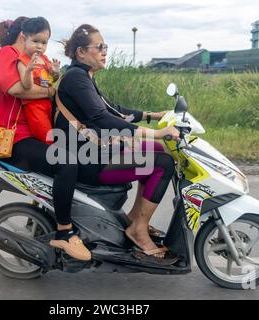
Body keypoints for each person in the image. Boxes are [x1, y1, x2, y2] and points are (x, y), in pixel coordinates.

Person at [54, 24, 180, 263]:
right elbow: (100, 118)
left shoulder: (83, 77)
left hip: (96, 149)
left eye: (105, 47)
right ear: (81, 52)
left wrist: (153, 115)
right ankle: (138, 230)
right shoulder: (76, 78)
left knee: (157, 151)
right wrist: (155, 133)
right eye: (99, 47)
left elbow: (114, 110)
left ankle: (135, 219)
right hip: (87, 159)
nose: (104, 51)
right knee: (163, 164)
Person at [0, 17, 91, 261]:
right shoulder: (7, 55)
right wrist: (51, 90)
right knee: (65, 162)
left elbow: (46, 86)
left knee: (84, 152)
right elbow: (16, 89)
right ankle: (64, 232)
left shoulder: (36, 60)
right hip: (12, 139)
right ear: (23, 35)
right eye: (37, 39)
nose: (41, 45)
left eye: (44, 41)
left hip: (33, 134)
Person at [17, 17, 61, 145]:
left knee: (54, 132)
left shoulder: (45, 59)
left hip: (48, 103)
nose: (39, 46)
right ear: (24, 39)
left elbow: (50, 81)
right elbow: (26, 86)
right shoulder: (23, 60)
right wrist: (29, 70)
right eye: (35, 41)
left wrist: (55, 72)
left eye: (44, 43)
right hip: (34, 106)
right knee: (46, 137)